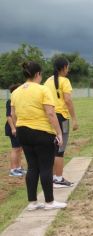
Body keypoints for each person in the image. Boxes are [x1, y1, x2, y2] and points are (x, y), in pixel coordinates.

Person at [12, 61, 66, 210]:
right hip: (41, 132)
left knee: (32, 167)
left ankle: (32, 202)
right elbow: (50, 113)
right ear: (38, 74)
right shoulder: (42, 90)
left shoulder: (16, 91)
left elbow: (13, 114)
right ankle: (49, 202)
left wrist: (20, 127)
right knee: (46, 167)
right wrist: (59, 133)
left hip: (22, 131)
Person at [44, 57, 79, 188]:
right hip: (61, 117)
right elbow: (68, 100)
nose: (68, 70)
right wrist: (74, 119)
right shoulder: (65, 81)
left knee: (52, 148)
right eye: (67, 67)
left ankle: (53, 177)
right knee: (60, 148)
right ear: (64, 67)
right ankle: (58, 179)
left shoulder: (47, 81)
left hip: (49, 117)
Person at [5, 84, 25, 177]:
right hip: (12, 128)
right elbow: (9, 116)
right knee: (15, 148)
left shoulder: (18, 101)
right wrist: (13, 128)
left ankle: (19, 168)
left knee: (20, 148)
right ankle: (13, 170)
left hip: (19, 127)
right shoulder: (10, 101)